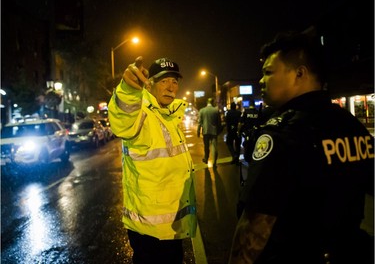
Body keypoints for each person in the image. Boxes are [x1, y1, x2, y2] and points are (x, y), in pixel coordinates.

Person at [229, 32, 374, 264]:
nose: (261, 81)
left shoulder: (283, 133)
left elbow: (255, 224)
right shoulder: (352, 125)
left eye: (268, 72)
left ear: (299, 73)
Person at [108, 57, 197, 264]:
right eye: (164, 80)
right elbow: (123, 119)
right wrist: (129, 91)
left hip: (169, 227)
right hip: (151, 231)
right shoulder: (143, 115)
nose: (171, 87)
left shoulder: (168, 115)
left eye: (174, 81)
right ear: (149, 84)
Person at [197, 97, 222, 166]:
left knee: (206, 146)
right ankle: (214, 162)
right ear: (212, 102)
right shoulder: (216, 110)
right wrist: (219, 131)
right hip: (214, 131)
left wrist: (198, 131)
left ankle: (206, 158)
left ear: (207, 103)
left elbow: (199, 122)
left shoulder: (202, 110)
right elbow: (219, 122)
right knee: (214, 146)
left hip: (205, 131)